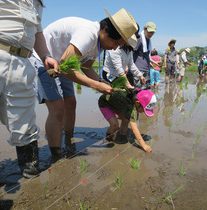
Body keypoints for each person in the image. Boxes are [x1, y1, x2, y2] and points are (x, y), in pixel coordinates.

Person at [30, 8, 138, 160]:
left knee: (71, 102)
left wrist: (101, 82)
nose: (114, 48)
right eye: (114, 43)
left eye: (118, 45)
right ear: (105, 30)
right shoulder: (87, 34)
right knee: (57, 107)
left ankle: (68, 143)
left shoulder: (100, 44)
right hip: (45, 60)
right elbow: (66, 67)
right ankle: (57, 156)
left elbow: (86, 66)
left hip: (63, 63)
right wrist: (96, 86)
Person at [0, 0, 59, 179]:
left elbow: (37, 31)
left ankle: (31, 176)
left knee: (25, 125)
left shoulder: (37, 2)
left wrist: (46, 55)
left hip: (22, 62)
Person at [98, 85, 157, 152]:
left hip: (119, 105)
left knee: (126, 119)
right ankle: (108, 138)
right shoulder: (131, 107)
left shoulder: (134, 100)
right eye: (144, 109)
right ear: (137, 103)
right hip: (105, 103)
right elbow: (134, 127)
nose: (143, 112)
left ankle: (123, 135)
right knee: (114, 125)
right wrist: (144, 145)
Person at [133, 22, 157, 89]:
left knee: (146, 90)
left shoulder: (148, 40)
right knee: (138, 90)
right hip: (138, 69)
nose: (151, 34)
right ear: (144, 29)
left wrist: (151, 63)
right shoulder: (139, 39)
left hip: (146, 69)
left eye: (152, 33)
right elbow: (131, 52)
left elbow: (146, 55)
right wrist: (127, 66)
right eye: (149, 32)